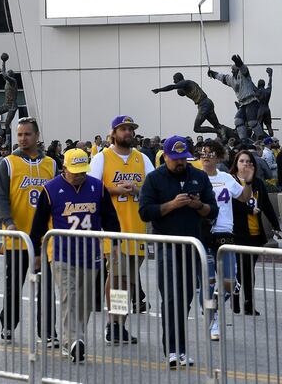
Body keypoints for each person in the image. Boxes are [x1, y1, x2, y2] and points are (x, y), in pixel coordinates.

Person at [30, 149, 120, 363]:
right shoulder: (51, 189)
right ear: (65, 168)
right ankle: (74, 341)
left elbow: (110, 217)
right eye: (75, 172)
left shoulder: (97, 188)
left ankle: (73, 338)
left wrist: (115, 244)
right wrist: (35, 251)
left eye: (82, 171)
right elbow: (38, 223)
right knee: (69, 298)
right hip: (61, 254)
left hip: (91, 254)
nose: (79, 175)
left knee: (86, 301)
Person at [139, 135, 218, 368]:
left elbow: (212, 210)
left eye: (184, 158)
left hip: (193, 245)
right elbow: (145, 212)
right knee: (171, 298)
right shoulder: (154, 179)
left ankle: (180, 349)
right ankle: (173, 350)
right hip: (167, 246)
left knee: (185, 299)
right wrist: (172, 205)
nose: (181, 163)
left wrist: (198, 206)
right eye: (176, 159)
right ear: (165, 157)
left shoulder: (199, 176)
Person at [90, 115, 154, 344]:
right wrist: (116, 190)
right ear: (113, 133)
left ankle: (120, 324)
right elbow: (91, 189)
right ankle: (113, 323)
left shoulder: (142, 158)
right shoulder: (102, 158)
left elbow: (152, 187)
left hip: (136, 229)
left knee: (126, 281)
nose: (128, 132)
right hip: (113, 229)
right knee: (117, 277)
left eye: (130, 129)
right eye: (123, 129)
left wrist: (138, 189)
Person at [0, 117, 58, 344]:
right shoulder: (8, 163)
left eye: (27, 134)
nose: (23, 138)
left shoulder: (51, 164)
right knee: (14, 285)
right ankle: (9, 323)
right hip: (17, 237)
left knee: (46, 287)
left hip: (44, 238)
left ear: (37, 136)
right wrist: (8, 220)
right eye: (19, 134)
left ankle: (47, 332)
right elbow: (1, 196)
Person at [199, 140, 253, 340]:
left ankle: (213, 306)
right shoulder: (195, 177)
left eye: (211, 153)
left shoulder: (226, 178)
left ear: (219, 156)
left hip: (224, 232)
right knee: (208, 282)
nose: (206, 156)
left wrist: (247, 182)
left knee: (229, 283)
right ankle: (213, 321)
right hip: (203, 234)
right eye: (203, 153)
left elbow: (244, 198)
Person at [230, 150, 281, 315]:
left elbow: (266, 205)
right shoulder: (231, 181)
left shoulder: (257, 183)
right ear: (236, 164)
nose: (246, 164)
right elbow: (230, 205)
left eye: (249, 161)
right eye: (242, 161)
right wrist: (249, 209)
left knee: (249, 270)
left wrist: (276, 226)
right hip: (237, 233)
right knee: (239, 269)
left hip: (255, 233)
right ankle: (236, 300)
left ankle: (249, 303)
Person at [152, 73, 226, 139]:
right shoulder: (186, 86)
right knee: (217, 125)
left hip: (204, 104)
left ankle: (218, 131)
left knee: (196, 128)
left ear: (179, 79)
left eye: (175, 80)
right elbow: (180, 90)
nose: (174, 82)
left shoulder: (185, 82)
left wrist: (159, 90)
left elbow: (172, 87)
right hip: (206, 103)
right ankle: (228, 134)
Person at [208, 54, 263, 141]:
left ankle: (261, 138)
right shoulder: (231, 79)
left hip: (251, 101)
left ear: (237, 69)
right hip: (243, 104)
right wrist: (213, 74)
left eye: (233, 69)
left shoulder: (244, 75)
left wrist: (238, 62)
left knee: (252, 122)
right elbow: (222, 77)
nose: (232, 71)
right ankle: (243, 140)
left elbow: (243, 69)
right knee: (238, 121)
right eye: (231, 70)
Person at [0, 54, 18, 144]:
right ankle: (0, 130)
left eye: (8, 74)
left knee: (7, 124)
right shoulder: (7, 81)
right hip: (6, 104)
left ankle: (8, 141)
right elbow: (4, 74)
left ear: (11, 75)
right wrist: (2, 69)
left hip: (12, 106)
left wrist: (4, 62)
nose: (6, 75)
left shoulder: (13, 81)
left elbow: (5, 75)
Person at [256, 68, 274, 136]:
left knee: (260, 127)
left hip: (260, 110)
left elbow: (251, 85)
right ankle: (272, 139)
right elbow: (270, 84)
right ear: (264, 84)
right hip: (267, 109)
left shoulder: (257, 91)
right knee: (269, 126)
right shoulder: (267, 91)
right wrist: (270, 76)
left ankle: (261, 141)